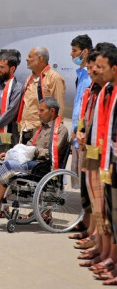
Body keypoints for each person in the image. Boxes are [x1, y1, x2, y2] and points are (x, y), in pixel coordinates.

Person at [0, 97, 68, 215]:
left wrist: (34, 151)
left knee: (9, 166)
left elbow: (51, 153)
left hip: (41, 165)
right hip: (28, 161)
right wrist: (11, 153)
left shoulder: (61, 130)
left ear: (52, 112)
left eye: (41, 111)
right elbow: (28, 145)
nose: (39, 114)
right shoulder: (40, 129)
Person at [75, 48, 113, 279]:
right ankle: (100, 246)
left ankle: (108, 255)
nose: (93, 71)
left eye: (97, 67)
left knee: (108, 208)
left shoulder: (108, 92)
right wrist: (80, 132)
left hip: (105, 155)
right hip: (93, 150)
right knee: (96, 202)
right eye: (91, 67)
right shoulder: (96, 91)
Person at [69, 35, 94, 238]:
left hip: (87, 137)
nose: (72, 54)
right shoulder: (80, 74)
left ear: (85, 52)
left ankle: (90, 226)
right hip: (78, 135)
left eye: (75, 50)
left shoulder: (90, 76)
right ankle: (86, 222)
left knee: (90, 183)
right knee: (83, 182)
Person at [17, 47, 66, 144]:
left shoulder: (54, 78)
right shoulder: (30, 79)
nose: (26, 59)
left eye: (30, 57)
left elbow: (59, 107)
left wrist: (56, 133)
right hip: (26, 129)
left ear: (40, 59)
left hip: (41, 131)